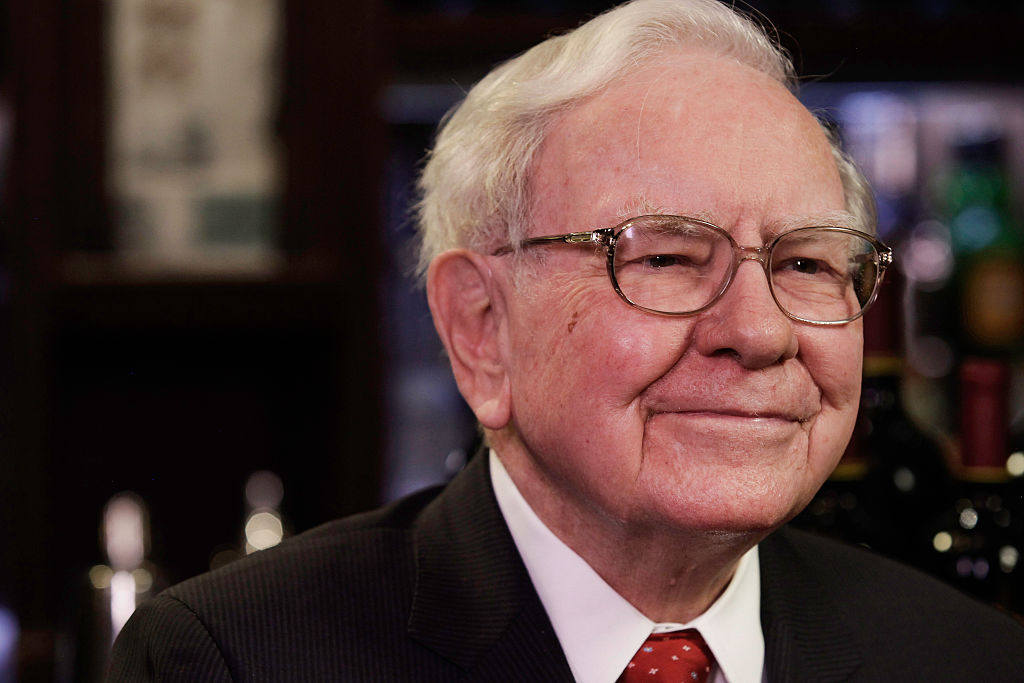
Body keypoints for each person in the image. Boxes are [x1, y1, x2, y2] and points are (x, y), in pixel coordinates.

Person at [108, 1, 1024, 680]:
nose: (759, 330)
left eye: (810, 265)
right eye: (666, 257)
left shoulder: (967, 658)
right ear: (481, 330)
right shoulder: (235, 659)